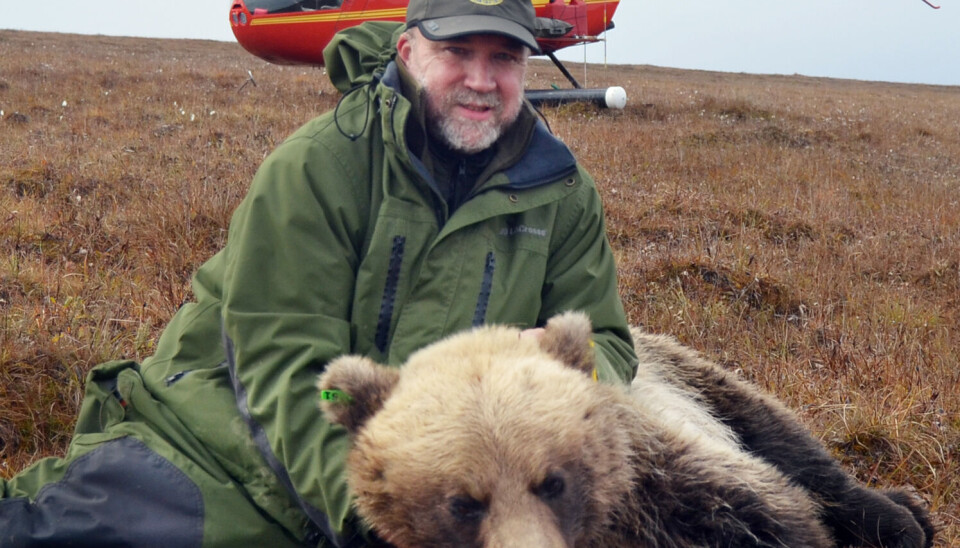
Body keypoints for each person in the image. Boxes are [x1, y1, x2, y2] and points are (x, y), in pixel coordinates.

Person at [0, 0, 637, 545]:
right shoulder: (318, 166)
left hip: (459, 494)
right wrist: (375, 512)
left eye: (503, 58)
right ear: (409, 50)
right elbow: (282, 368)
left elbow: (606, 344)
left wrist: (553, 383)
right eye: (459, 51)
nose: (481, 78)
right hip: (227, 443)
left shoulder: (563, 193)